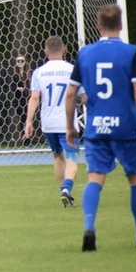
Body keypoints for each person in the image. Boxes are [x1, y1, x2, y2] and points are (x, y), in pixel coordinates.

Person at [65, 4, 136, 252]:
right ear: (120, 26)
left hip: (96, 126)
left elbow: (70, 94)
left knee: (95, 178)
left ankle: (89, 227)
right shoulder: (133, 52)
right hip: (127, 126)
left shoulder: (85, 53)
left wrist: (70, 127)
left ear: (98, 27)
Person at [23, 36, 81, 207]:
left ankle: (62, 189)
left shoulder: (39, 72)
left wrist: (28, 121)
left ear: (45, 52)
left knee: (57, 156)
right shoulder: (73, 70)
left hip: (48, 123)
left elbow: (34, 98)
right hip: (67, 123)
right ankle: (66, 188)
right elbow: (83, 96)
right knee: (71, 159)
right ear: (64, 49)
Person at [12, 54, 32, 141]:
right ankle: (24, 137)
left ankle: (28, 137)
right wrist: (16, 88)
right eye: (18, 61)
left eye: (22, 61)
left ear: (25, 62)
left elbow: (32, 87)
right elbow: (11, 87)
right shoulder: (14, 75)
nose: (20, 62)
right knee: (22, 118)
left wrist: (25, 89)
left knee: (28, 117)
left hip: (27, 98)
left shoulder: (29, 74)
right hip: (18, 99)